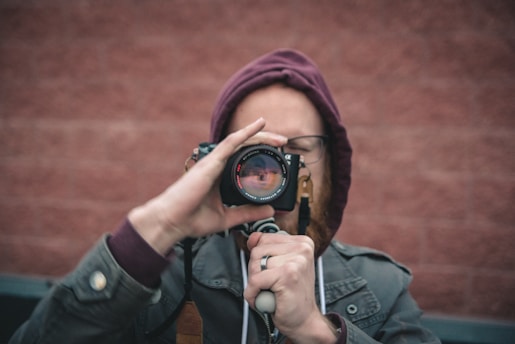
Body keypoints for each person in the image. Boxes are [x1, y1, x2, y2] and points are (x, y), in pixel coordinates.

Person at [9, 49, 440, 343]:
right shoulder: (161, 283)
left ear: (332, 162)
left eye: (298, 150)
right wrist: (157, 228)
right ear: (221, 161)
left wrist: (319, 331)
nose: (276, 171)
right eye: (257, 154)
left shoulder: (380, 288)